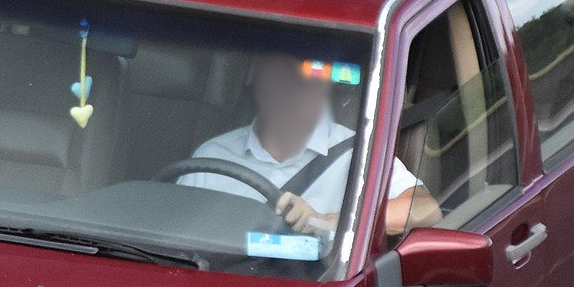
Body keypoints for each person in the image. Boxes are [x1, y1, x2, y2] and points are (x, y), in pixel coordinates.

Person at [179, 52, 439, 238]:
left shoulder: (356, 153)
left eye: (301, 78)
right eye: (278, 78)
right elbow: (179, 237)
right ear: (258, 83)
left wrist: (329, 221)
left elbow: (425, 209)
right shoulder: (213, 156)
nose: (289, 91)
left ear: (321, 86)